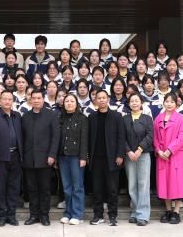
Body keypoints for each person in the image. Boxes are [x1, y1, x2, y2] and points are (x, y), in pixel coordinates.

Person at [20, 88, 59, 225]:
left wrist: (52, 155)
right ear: (30, 100)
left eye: (39, 98)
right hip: (29, 159)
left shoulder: (51, 115)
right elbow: (22, 138)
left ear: (43, 99)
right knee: (32, 189)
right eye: (34, 98)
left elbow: (55, 137)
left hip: (45, 159)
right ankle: (33, 215)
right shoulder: (25, 117)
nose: (36, 100)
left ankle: (44, 215)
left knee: (45, 189)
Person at [87, 89, 124, 226]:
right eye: (99, 98)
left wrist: (120, 155)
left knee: (112, 189)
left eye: (104, 98)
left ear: (108, 99)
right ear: (95, 100)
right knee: (97, 189)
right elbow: (88, 138)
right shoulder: (91, 117)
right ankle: (98, 215)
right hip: (96, 159)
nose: (101, 100)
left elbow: (121, 137)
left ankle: (113, 216)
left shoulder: (116, 116)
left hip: (112, 158)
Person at [0, 90, 23, 226]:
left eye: (10, 99)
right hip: (0, 158)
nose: (7, 101)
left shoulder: (17, 116)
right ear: (0, 101)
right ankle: (1, 215)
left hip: (16, 156)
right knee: (0, 187)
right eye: (4, 99)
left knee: (13, 187)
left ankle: (11, 215)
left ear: (13, 101)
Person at [154, 93, 183, 224]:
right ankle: (168, 210)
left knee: (176, 182)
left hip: (176, 155)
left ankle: (176, 212)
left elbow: (182, 137)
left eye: (172, 102)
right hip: (162, 155)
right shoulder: (158, 119)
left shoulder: (180, 119)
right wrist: (158, 150)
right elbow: (155, 137)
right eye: (167, 101)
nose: (169, 104)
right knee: (164, 183)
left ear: (176, 104)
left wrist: (169, 150)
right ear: (163, 103)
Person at [122, 93, 154, 226]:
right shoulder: (125, 119)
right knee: (132, 185)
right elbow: (121, 137)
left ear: (141, 103)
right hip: (129, 156)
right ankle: (135, 211)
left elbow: (150, 135)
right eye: (132, 101)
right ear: (129, 104)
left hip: (143, 155)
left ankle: (143, 215)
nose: (134, 103)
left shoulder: (147, 118)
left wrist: (140, 149)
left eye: (137, 101)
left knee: (143, 184)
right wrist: (128, 151)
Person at [57, 93, 89, 225]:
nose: (69, 103)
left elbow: (84, 139)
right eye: (67, 101)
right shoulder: (60, 118)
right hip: (62, 156)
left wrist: (83, 157)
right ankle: (68, 213)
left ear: (76, 104)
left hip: (76, 157)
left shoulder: (82, 118)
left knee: (77, 186)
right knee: (66, 187)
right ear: (63, 104)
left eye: (72, 101)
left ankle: (77, 214)